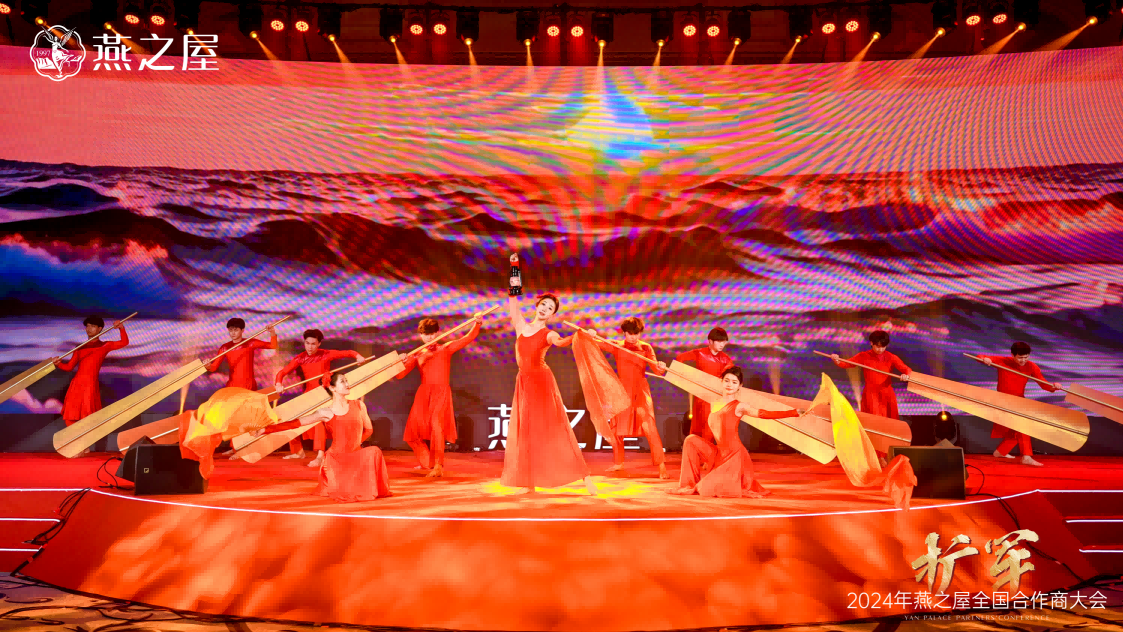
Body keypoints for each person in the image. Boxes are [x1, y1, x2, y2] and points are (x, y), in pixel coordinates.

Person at [501, 256, 598, 496]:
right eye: (543, 304)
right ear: (537, 305)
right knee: (526, 432)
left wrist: (581, 336)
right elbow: (513, 299)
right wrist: (514, 268)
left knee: (556, 428)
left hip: (542, 383)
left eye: (550, 308)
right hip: (523, 384)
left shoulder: (549, 333)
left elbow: (562, 342)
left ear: (552, 314)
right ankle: (529, 482)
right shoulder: (521, 325)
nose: (545, 309)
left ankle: (586, 478)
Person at [258, 372, 391, 502]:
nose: (347, 384)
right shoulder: (325, 412)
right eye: (342, 381)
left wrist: (354, 446)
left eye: (346, 380)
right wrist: (266, 429)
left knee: (375, 451)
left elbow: (369, 430)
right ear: (332, 388)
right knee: (345, 489)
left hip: (354, 455)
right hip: (336, 459)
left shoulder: (359, 405)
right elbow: (296, 424)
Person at [669, 366, 799, 497]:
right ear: (721, 381)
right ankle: (688, 484)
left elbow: (764, 414)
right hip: (718, 453)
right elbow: (692, 380)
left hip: (734, 455)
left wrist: (794, 412)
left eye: (734, 382)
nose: (730, 384)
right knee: (690, 440)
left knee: (706, 489)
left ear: (739, 386)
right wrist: (667, 370)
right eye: (727, 380)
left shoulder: (739, 406)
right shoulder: (714, 403)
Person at [395, 314, 483, 477]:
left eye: (431, 333)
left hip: (440, 393)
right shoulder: (416, 354)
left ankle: (438, 465)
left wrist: (477, 323)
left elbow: (467, 338)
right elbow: (400, 375)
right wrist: (400, 361)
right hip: (423, 394)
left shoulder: (445, 348)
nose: (429, 337)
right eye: (425, 334)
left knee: (437, 426)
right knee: (412, 432)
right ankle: (426, 463)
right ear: (420, 335)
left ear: (437, 333)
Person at [587, 317, 669, 479]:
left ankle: (661, 465)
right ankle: (619, 463)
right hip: (622, 391)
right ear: (624, 333)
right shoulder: (617, 346)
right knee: (616, 429)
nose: (633, 337)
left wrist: (661, 367)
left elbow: (657, 371)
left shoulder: (645, 348)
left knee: (649, 426)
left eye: (636, 334)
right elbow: (595, 343)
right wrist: (591, 335)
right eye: (630, 334)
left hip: (641, 391)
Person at [274, 329, 364, 465]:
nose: (310, 347)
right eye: (307, 343)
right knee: (290, 417)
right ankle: (298, 452)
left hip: (324, 395)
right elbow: (281, 373)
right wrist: (278, 383)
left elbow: (348, 353)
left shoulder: (326, 354)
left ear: (319, 344)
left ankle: (320, 455)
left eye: (313, 344)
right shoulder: (300, 358)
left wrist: (358, 356)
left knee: (319, 420)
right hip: (308, 395)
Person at [831, 330, 911, 466]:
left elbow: (906, 369)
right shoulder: (864, 356)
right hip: (871, 395)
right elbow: (846, 363)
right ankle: (878, 456)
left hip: (887, 395)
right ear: (871, 343)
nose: (880, 349)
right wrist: (837, 360)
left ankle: (889, 454)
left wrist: (906, 375)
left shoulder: (891, 357)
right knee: (875, 425)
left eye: (883, 346)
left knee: (890, 425)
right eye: (877, 346)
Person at [975, 342, 1060, 467]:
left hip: (1019, 401)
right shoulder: (1004, 361)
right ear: (1013, 355)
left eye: (1026, 357)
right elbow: (980, 357)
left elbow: (1043, 384)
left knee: (1018, 429)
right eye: (1020, 357)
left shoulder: (1031, 366)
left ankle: (1001, 451)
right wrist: (984, 359)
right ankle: (1026, 456)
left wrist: (1054, 387)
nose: (1023, 360)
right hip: (1003, 400)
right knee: (1023, 425)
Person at [52, 317, 129, 454]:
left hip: (90, 385)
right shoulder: (79, 348)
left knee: (87, 418)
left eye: (93, 326)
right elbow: (69, 367)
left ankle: (83, 445)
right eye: (87, 326)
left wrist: (121, 328)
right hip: (76, 384)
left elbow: (124, 342)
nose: (89, 329)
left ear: (100, 329)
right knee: (69, 416)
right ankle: (81, 445)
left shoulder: (105, 346)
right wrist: (58, 364)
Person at [674, 327, 735, 442]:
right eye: (719, 341)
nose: (722, 344)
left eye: (724, 342)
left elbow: (732, 377)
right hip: (700, 398)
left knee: (710, 431)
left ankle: (707, 451)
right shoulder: (700, 353)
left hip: (715, 400)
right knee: (697, 431)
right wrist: (684, 376)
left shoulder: (726, 359)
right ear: (710, 341)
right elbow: (680, 358)